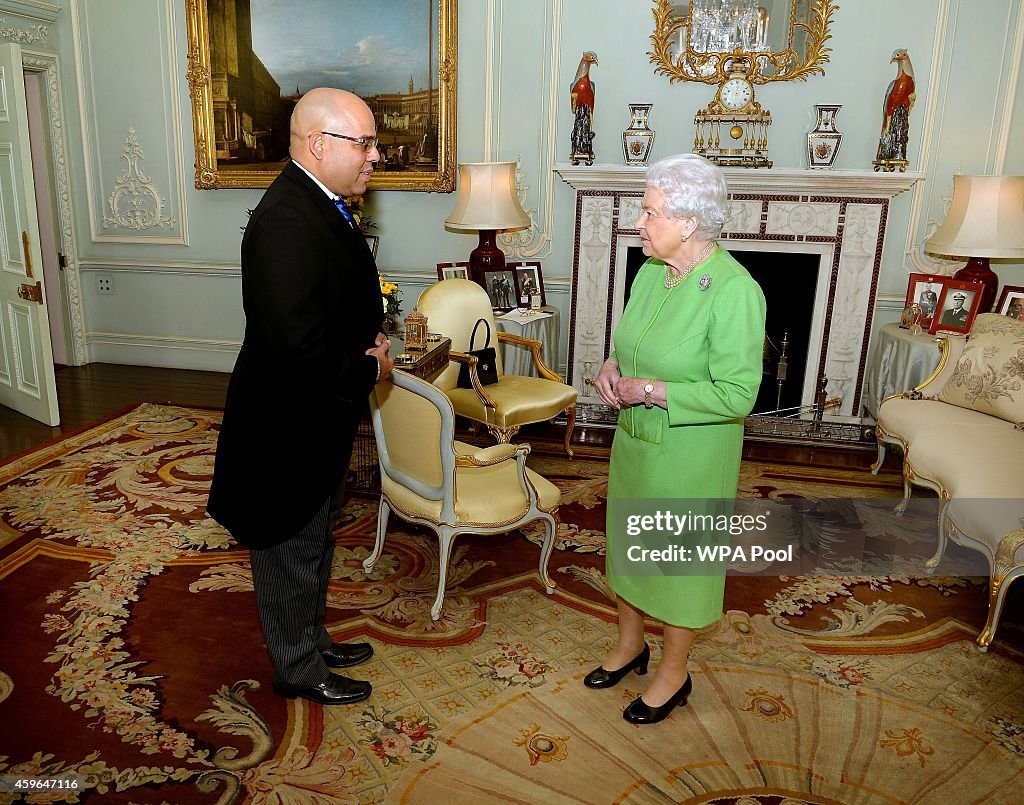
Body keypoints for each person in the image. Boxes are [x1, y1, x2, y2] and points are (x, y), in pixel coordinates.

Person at [207, 88, 394, 706]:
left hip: (314, 416)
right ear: (320, 145)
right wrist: (365, 369)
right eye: (364, 143)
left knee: (315, 537)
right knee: (288, 544)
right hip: (288, 424)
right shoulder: (288, 218)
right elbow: (297, 341)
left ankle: (308, 639)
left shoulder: (318, 203)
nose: (375, 156)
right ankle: (295, 667)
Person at [588, 154, 766, 725]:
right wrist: (612, 366)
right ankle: (629, 645)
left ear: (688, 222)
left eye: (649, 211)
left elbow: (738, 395)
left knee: (677, 561)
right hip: (636, 442)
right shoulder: (648, 272)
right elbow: (636, 344)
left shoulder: (736, 291)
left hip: (692, 452)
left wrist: (653, 390)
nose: (638, 221)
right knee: (629, 546)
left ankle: (674, 672)